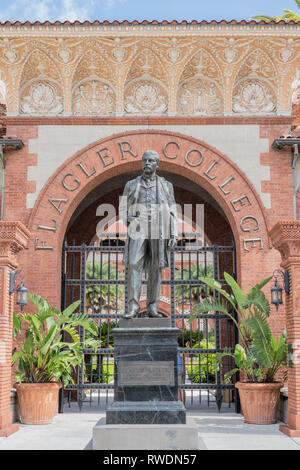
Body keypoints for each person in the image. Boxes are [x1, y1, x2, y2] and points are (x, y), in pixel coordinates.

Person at [119, 150, 178, 318]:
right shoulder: (131, 184)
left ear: (157, 164)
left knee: (155, 267)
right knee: (133, 264)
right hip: (138, 227)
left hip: (158, 228)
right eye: (145, 160)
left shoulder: (166, 185)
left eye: (151, 161)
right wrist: (129, 218)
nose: (147, 163)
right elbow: (123, 208)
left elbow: (172, 211)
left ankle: (153, 307)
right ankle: (133, 307)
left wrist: (174, 234)